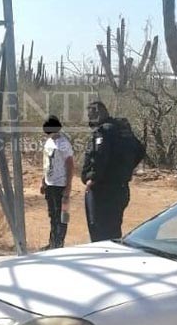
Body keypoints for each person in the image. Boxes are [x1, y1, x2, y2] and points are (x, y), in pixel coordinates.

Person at [81, 101, 145, 242]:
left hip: (103, 191)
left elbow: (99, 157)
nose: (88, 118)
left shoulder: (104, 132)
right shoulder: (123, 130)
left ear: (97, 114)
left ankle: (101, 260)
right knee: (113, 230)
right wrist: (124, 169)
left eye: (90, 115)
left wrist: (93, 177)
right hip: (120, 188)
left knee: (99, 232)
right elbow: (140, 150)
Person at [40, 115, 75, 250]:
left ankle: (59, 244)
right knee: (52, 215)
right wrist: (43, 181)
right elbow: (46, 163)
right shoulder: (49, 142)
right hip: (50, 184)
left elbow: (70, 165)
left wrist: (68, 187)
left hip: (61, 185)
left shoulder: (64, 143)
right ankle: (52, 242)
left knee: (61, 216)